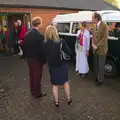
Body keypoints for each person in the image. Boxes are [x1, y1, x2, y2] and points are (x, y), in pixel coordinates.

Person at [44, 25, 72, 107]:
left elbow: (44, 55)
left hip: (52, 66)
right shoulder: (61, 41)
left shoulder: (45, 43)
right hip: (62, 65)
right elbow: (69, 52)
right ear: (55, 32)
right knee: (65, 83)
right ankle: (69, 99)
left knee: (55, 85)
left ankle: (56, 102)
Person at [23, 17, 46, 98]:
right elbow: (41, 50)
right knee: (37, 75)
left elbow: (24, 47)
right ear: (39, 24)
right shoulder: (39, 36)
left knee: (31, 74)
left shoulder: (26, 34)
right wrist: (43, 60)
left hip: (29, 58)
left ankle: (32, 90)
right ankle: (37, 93)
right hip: (36, 59)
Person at [92, 12, 108, 86]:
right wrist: (92, 43)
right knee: (96, 65)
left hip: (102, 49)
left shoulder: (104, 25)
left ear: (96, 18)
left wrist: (97, 46)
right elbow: (93, 36)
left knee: (101, 66)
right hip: (95, 49)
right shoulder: (94, 26)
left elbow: (105, 38)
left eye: (93, 18)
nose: (92, 19)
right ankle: (96, 77)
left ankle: (100, 80)